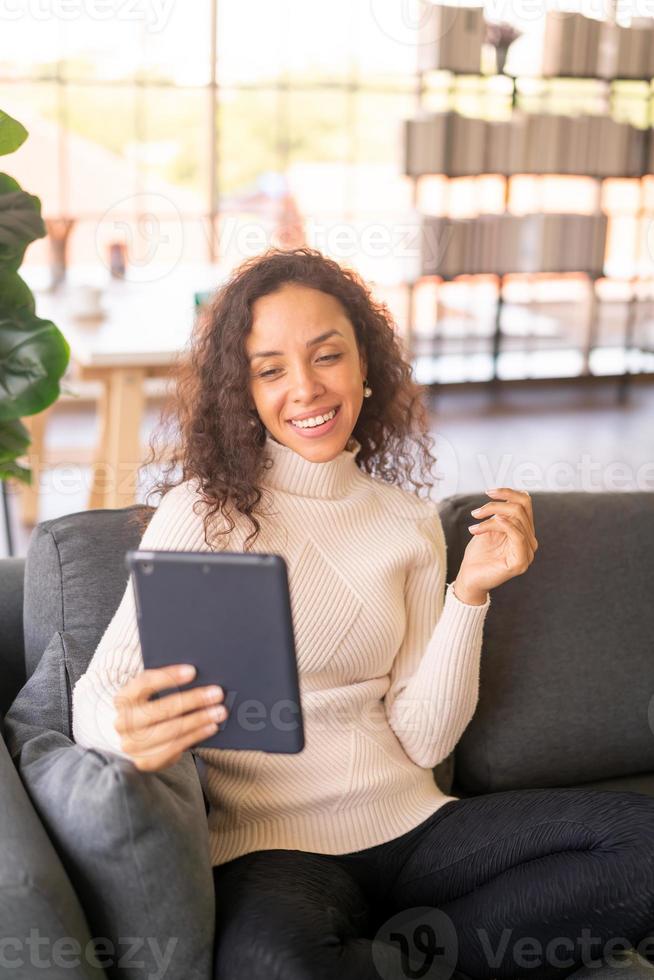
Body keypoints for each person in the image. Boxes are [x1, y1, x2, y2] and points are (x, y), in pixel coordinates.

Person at [72, 248, 654, 980]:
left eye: (327, 356)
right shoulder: (205, 513)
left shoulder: (408, 522)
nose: (306, 387)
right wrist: (124, 731)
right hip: (271, 850)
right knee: (268, 962)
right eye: (271, 369)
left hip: (416, 828)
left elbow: (422, 739)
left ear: (365, 365)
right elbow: (100, 690)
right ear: (241, 390)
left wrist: (468, 596)